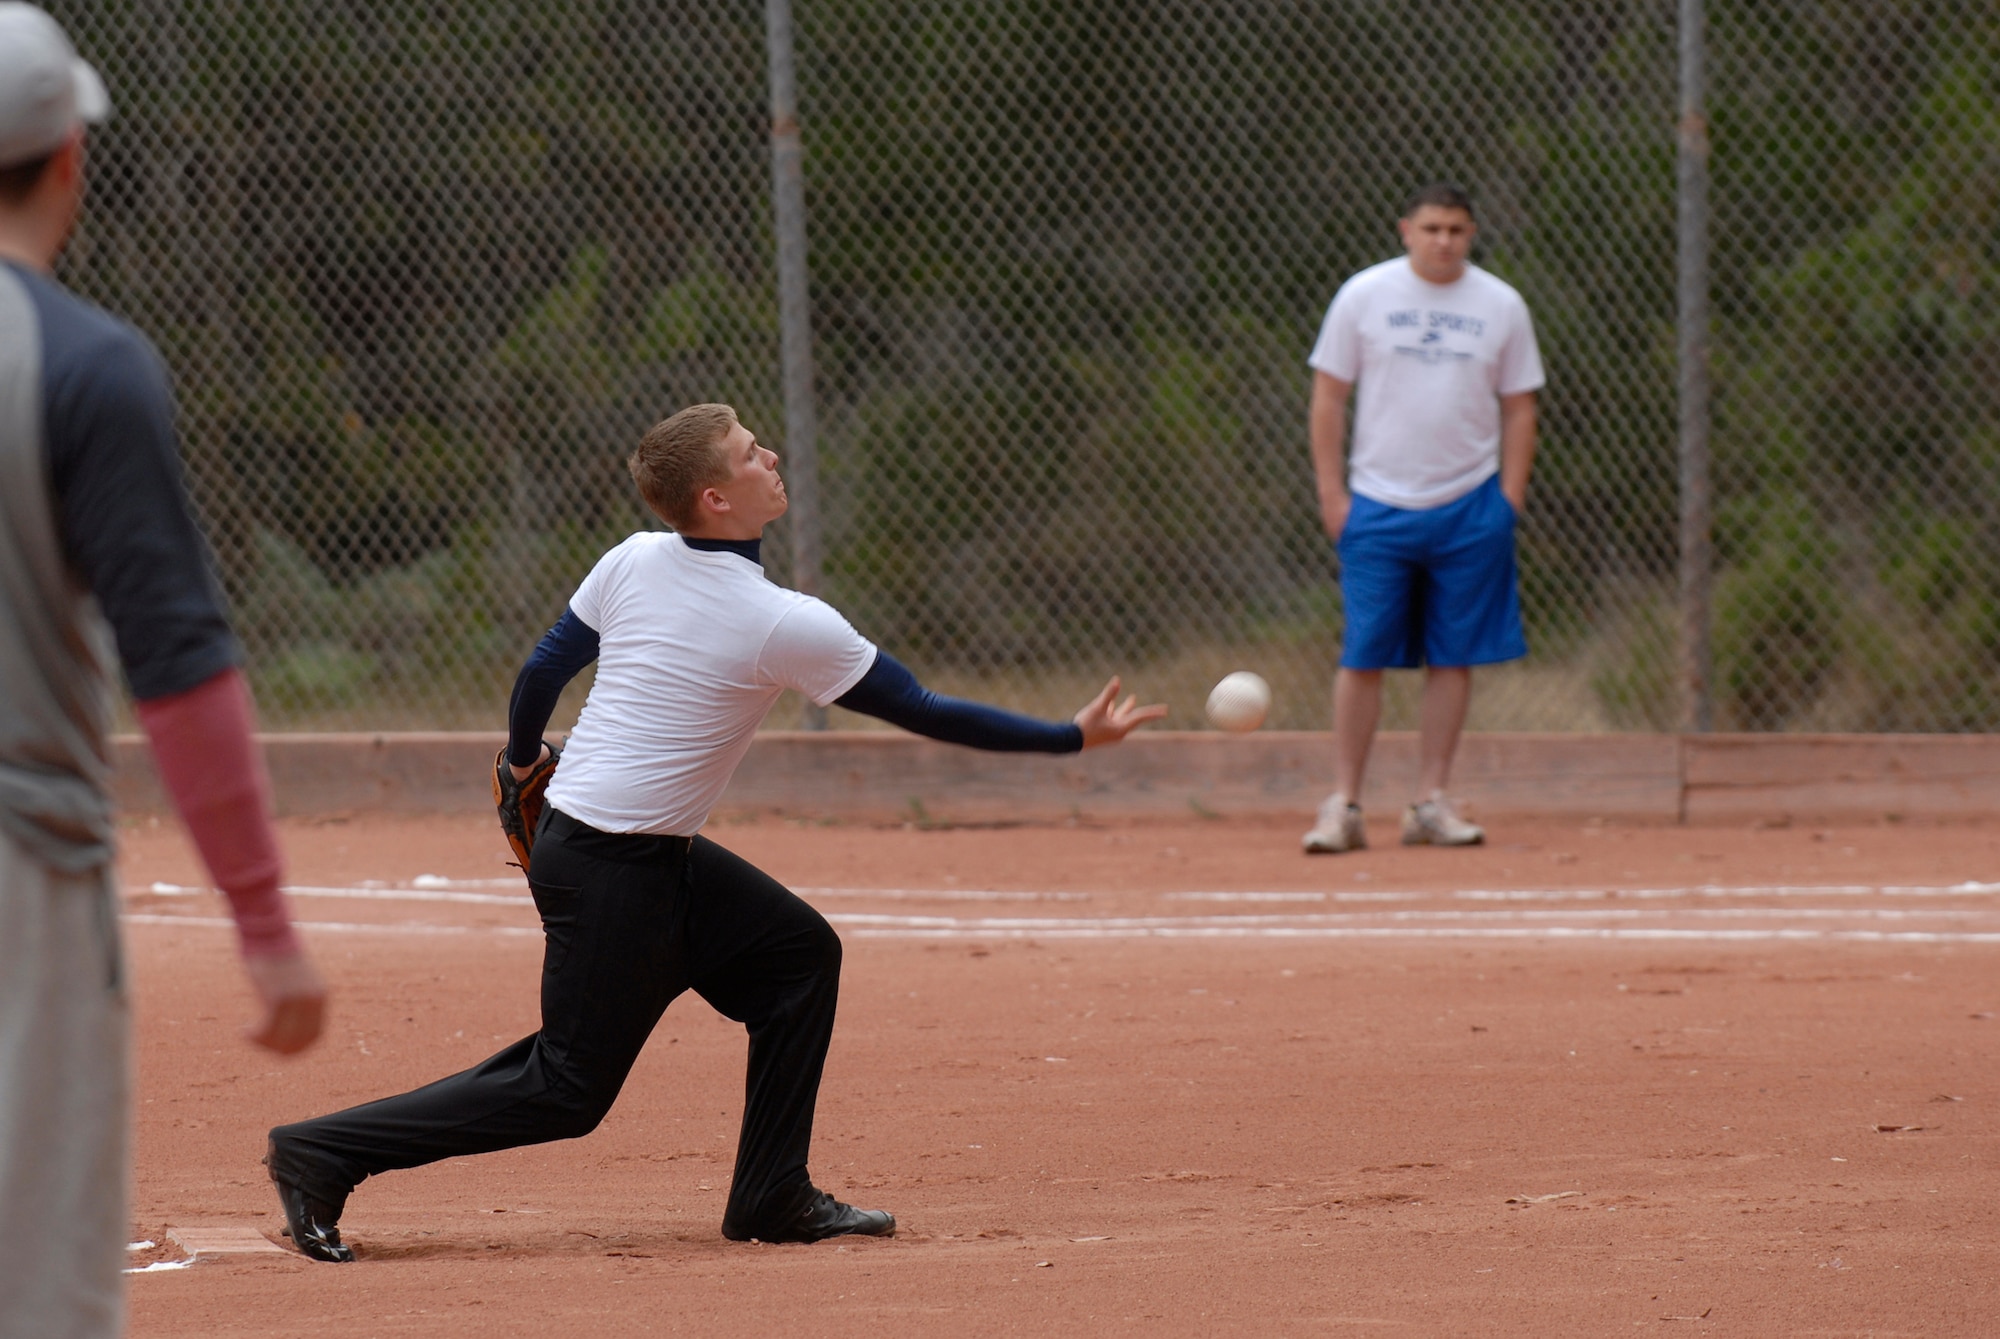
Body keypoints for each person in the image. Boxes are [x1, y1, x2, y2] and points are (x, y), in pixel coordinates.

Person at [265, 402, 1166, 1261]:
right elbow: (923, 709)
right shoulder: (783, 622)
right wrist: (1069, 737)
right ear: (716, 500)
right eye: (748, 452)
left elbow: (543, 669)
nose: (768, 454)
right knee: (566, 1087)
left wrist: (519, 758)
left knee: (796, 957)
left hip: (628, 851)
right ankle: (322, 1153)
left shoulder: (636, 559)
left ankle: (772, 1191)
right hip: (610, 867)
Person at [0, 6, 329, 1335]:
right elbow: (182, 670)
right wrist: (262, 922)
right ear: (70, 154)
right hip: (26, 875)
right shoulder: (86, 368)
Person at [1301, 182, 1545, 855]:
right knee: (1364, 652)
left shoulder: (1500, 304)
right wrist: (1333, 495)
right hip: (1378, 500)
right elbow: (1328, 396)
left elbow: (1521, 406)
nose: (1445, 241)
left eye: (1458, 230)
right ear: (1405, 228)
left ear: (1472, 234)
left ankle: (1429, 801)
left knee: (1453, 655)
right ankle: (1344, 803)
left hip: (1470, 502)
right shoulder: (1364, 296)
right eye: (1432, 228)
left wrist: (1508, 500)